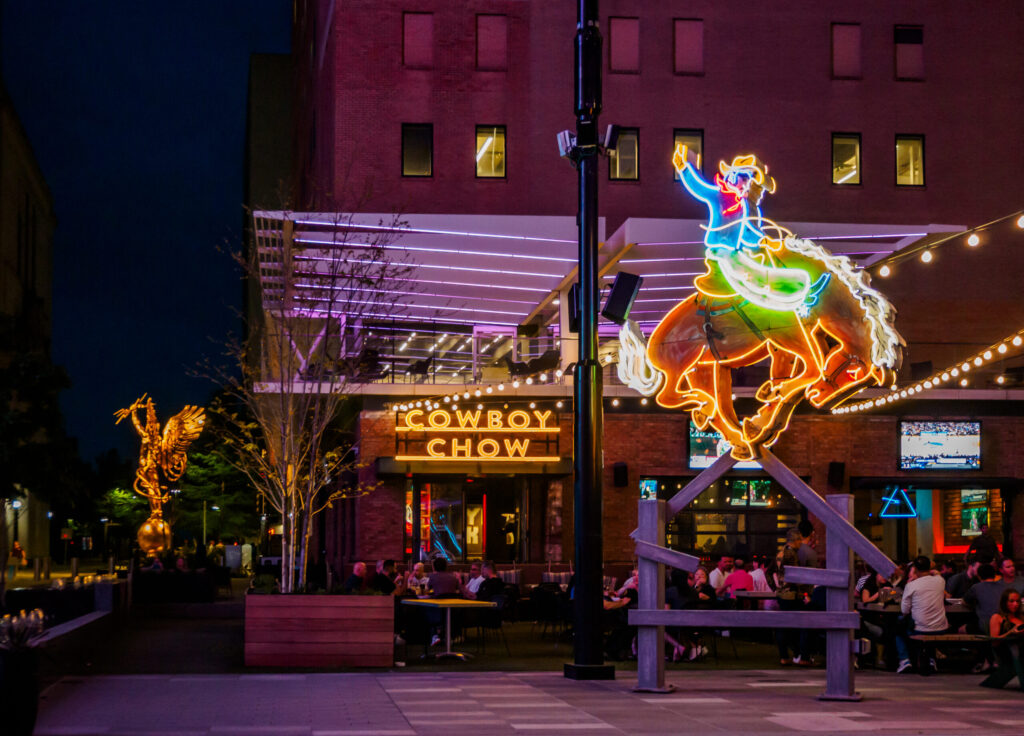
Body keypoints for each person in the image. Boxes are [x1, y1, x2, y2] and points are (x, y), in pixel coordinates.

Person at [894, 556, 949, 674]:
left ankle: (904, 660)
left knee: (898, 628)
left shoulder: (911, 585)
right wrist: (934, 572)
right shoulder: (940, 581)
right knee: (929, 626)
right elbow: (937, 574)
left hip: (919, 629)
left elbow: (904, 610)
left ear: (915, 569)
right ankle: (931, 659)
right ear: (929, 567)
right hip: (941, 628)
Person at [979, 588, 1024, 690]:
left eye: (1017, 601)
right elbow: (994, 641)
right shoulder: (997, 617)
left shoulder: (1021, 618)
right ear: (1004, 602)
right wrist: (1010, 632)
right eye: (1011, 601)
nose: (1015, 604)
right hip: (1007, 651)